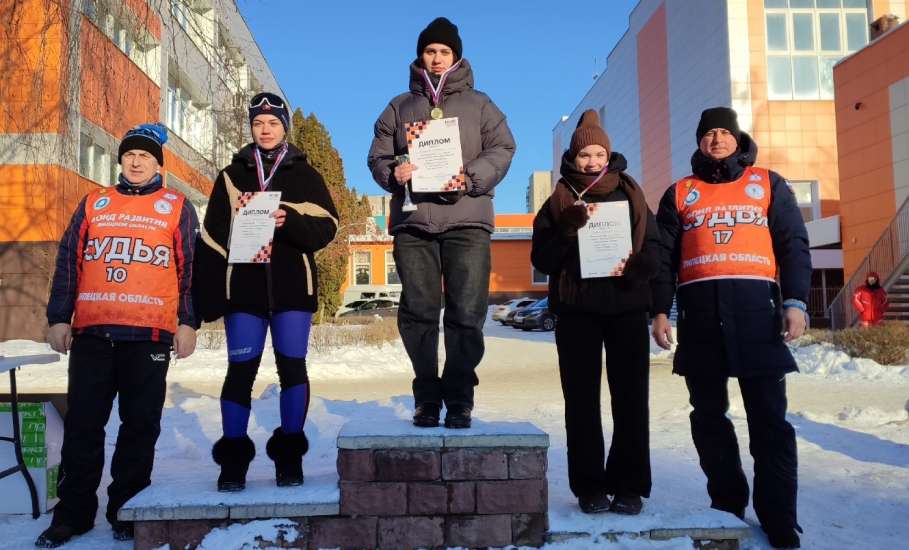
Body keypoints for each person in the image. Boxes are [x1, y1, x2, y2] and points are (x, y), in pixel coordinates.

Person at [651, 107, 811, 549]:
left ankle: (779, 518)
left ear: (738, 138)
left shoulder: (767, 184)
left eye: (724, 132)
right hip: (702, 321)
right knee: (708, 419)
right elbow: (662, 258)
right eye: (709, 134)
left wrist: (795, 302)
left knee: (770, 424)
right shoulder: (681, 193)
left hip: (759, 318)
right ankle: (726, 505)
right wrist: (661, 310)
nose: (717, 139)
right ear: (699, 141)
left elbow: (793, 244)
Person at [38, 124, 199, 547]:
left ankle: (127, 509)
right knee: (83, 427)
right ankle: (72, 515)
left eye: (144, 155)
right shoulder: (95, 202)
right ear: (120, 160)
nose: (135, 161)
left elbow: (190, 271)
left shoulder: (176, 205)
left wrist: (188, 321)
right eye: (129, 154)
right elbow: (69, 260)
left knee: (140, 427)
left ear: (157, 163)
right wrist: (59, 316)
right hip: (92, 334)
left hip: (149, 336)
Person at [367, 17, 515, 429]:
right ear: (421, 56)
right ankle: (427, 397)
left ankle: (460, 397)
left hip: (467, 221)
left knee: (467, 313)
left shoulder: (480, 104)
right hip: (415, 224)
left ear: (456, 56)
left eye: (444, 51)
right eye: (430, 51)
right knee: (418, 312)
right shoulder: (399, 106)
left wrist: (472, 177)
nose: (436, 58)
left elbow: (504, 146)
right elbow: (377, 156)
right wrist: (392, 172)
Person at [193, 92, 338, 492]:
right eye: (258, 123)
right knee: (240, 372)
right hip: (244, 292)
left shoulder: (304, 175)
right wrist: (208, 295)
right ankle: (233, 462)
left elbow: (328, 227)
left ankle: (290, 457)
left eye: (273, 123)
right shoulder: (231, 175)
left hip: (293, 289)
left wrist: (288, 219)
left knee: (292, 369)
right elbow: (211, 239)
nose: (266, 129)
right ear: (251, 128)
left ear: (284, 128)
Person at [531, 110, 660, 515]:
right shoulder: (557, 201)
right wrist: (566, 229)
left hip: (626, 306)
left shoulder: (630, 192)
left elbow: (654, 248)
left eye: (598, 152)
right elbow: (543, 260)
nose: (591, 161)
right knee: (582, 402)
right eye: (584, 153)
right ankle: (589, 486)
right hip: (576, 312)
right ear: (573, 156)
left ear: (609, 154)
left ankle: (629, 485)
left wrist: (641, 268)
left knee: (631, 400)